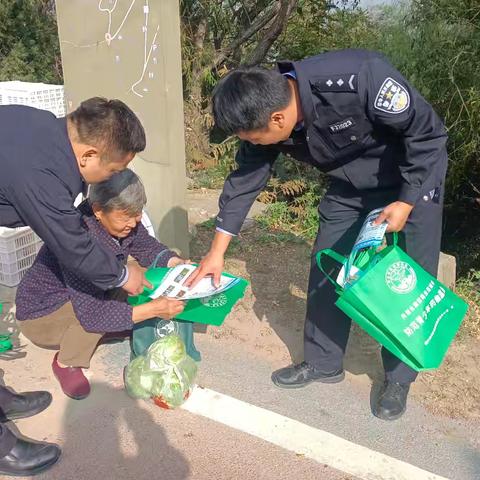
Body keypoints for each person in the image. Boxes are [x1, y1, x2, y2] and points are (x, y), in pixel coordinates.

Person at [187, 49, 448, 421]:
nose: (255, 144)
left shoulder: (359, 79)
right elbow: (245, 179)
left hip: (413, 176)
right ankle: (324, 361)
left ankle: (398, 377)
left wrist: (406, 203)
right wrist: (217, 252)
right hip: (350, 184)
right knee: (328, 263)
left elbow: (426, 135)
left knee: (407, 279)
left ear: (277, 118)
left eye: (254, 138)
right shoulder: (265, 119)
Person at [0, 98, 148, 475]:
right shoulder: (41, 171)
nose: (112, 177)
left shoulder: (42, 128)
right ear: (90, 155)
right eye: (114, 168)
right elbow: (72, 246)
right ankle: (3, 451)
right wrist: (121, 275)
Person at [15, 169, 186, 400]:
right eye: (126, 216)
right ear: (98, 210)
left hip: (83, 293)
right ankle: (66, 362)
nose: (134, 222)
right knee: (94, 315)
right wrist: (153, 310)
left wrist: (176, 263)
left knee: (137, 277)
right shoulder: (78, 241)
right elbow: (92, 313)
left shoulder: (124, 221)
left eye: (138, 214)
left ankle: (113, 324)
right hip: (42, 314)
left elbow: (146, 246)